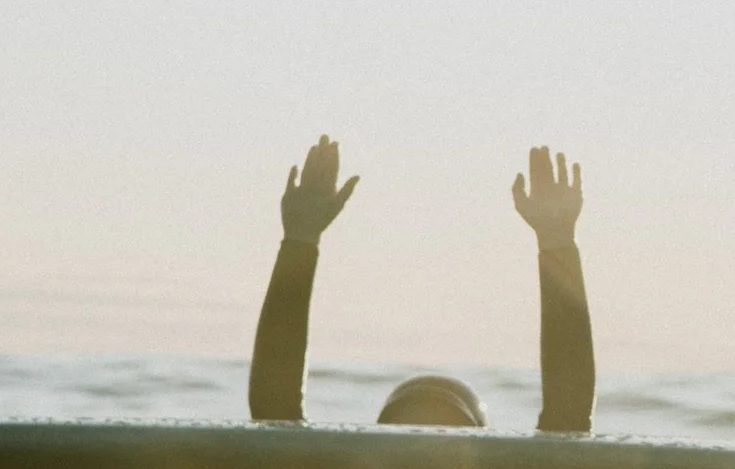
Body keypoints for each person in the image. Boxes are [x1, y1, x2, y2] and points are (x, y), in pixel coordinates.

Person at [246, 136, 595, 433]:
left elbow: (274, 419)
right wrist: (556, 242)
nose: (428, 438)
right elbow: (568, 420)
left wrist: (300, 241)